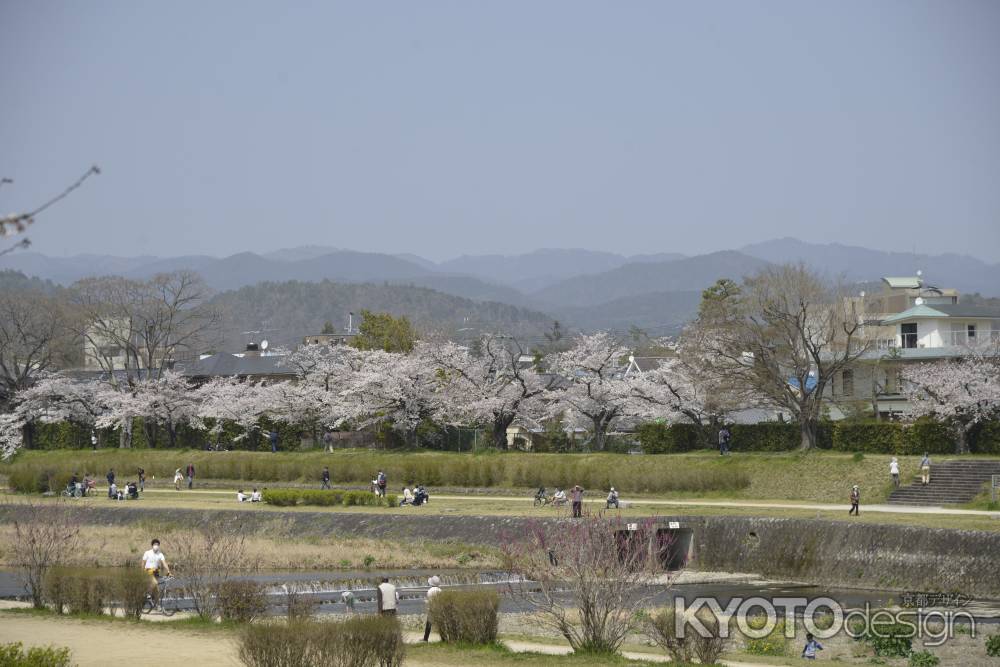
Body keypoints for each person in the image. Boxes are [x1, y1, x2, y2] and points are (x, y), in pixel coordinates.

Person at [422, 575, 442, 641]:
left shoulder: (430, 591)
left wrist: (425, 601)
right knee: (440, 624)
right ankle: (443, 637)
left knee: (428, 624)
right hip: (439, 609)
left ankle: (425, 638)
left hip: (431, 609)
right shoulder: (440, 590)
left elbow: (429, 601)